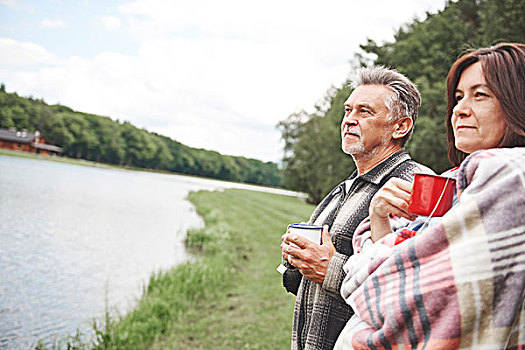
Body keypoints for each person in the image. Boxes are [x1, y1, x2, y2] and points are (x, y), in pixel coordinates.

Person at [335, 42, 525, 349]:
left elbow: (396, 296)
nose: (460, 108)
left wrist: (356, 264)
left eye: (481, 95)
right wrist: (380, 222)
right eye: (459, 97)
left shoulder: (508, 173)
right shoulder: (456, 181)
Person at [280, 66, 432, 350]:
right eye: (348, 110)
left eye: (365, 112)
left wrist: (331, 269)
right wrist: (296, 259)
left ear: (400, 127)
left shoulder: (412, 186)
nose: (349, 120)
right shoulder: (347, 187)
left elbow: (409, 292)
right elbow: (303, 282)